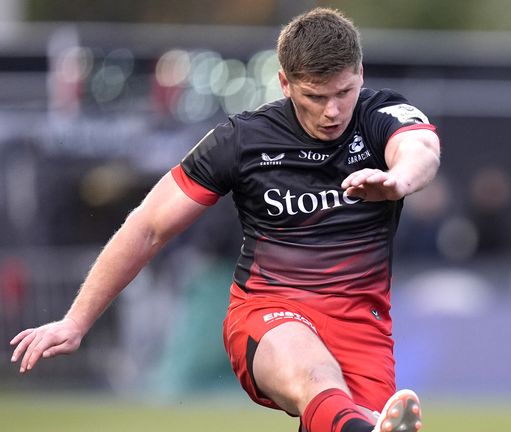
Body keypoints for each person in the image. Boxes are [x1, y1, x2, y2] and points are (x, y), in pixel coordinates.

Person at [10, 8, 440, 432]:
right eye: (315, 96)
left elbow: (421, 149)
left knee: (335, 415)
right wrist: (76, 320)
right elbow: (148, 226)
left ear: (360, 73)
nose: (332, 111)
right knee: (315, 378)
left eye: (343, 93)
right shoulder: (242, 139)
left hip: (360, 322)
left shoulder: (382, 114)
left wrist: (399, 179)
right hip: (271, 312)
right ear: (285, 83)